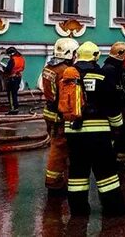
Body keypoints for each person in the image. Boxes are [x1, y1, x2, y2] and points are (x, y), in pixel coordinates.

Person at [65, 41, 125, 217]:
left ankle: (78, 210)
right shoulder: (101, 76)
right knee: (106, 172)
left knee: (77, 173)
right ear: (96, 57)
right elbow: (112, 105)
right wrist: (117, 126)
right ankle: (114, 208)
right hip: (98, 133)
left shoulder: (68, 75)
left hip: (73, 133)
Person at [39, 37, 79, 193]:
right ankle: (54, 182)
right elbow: (67, 96)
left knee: (58, 146)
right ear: (69, 53)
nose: (76, 56)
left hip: (49, 113)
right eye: (74, 53)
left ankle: (61, 179)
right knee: (59, 148)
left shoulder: (49, 67)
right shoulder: (65, 71)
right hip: (60, 116)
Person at [3, 47, 25, 115]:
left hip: (12, 78)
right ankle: (16, 107)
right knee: (15, 93)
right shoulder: (21, 58)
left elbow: (8, 69)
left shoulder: (13, 59)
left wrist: (4, 69)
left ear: (11, 53)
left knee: (11, 94)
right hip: (18, 77)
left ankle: (13, 109)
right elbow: (22, 67)